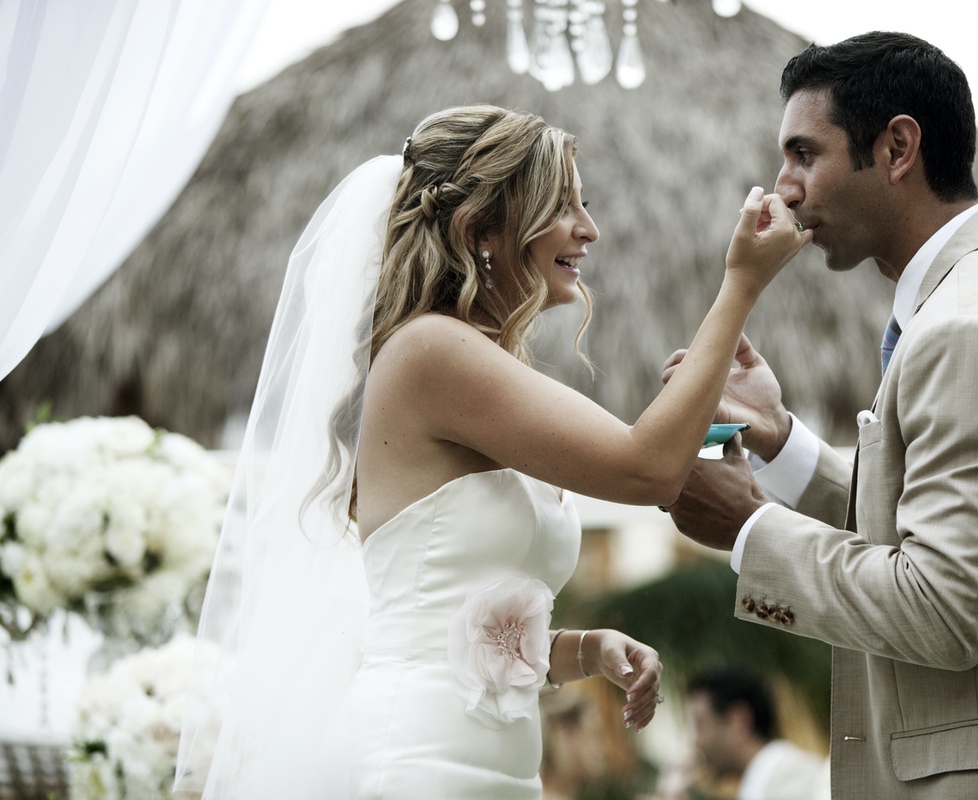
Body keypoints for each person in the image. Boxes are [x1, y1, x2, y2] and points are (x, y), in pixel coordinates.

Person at [173, 105, 807, 799]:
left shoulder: (475, 368)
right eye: (561, 206)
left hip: (490, 766)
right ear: (481, 231)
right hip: (414, 758)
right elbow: (646, 466)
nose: (589, 230)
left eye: (583, 205)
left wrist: (584, 650)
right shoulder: (430, 352)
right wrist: (741, 286)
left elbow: (459, 634)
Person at [661, 33, 978, 799]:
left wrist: (749, 530)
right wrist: (784, 442)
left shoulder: (968, 328)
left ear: (897, 147)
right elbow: (935, 530)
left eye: (804, 154)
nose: (783, 188)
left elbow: (945, 608)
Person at [680, 667, 826, 800]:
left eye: (700, 725)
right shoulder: (764, 786)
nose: (696, 741)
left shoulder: (797, 781)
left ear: (738, 722)